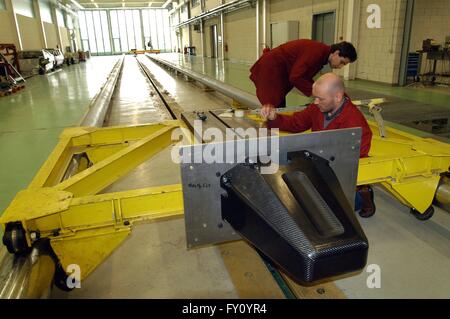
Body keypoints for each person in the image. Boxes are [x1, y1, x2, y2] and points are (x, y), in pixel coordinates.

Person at [261, 73, 376, 218]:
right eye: (314, 97)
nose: (315, 102)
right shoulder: (318, 108)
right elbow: (297, 123)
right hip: (319, 163)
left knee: (326, 212)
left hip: (336, 171)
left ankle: (363, 195)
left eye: (320, 98)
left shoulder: (354, 123)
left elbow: (353, 163)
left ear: (338, 97)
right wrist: (275, 118)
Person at [250, 40, 357, 108]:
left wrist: (319, 90)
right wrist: (318, 93)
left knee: (279, 105)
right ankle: (270, 138)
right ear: (336, 53)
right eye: (342, 62)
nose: (340, 66)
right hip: (271, 71)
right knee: (272, 108)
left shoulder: (321, 55)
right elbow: (296, 77)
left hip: (278, 73)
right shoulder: (317, 52)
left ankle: (275, 135)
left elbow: (304, 77)